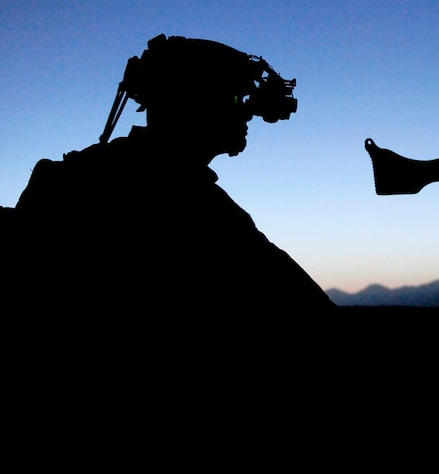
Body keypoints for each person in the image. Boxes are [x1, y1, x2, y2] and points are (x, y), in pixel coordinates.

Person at [11, 34, 335, 333]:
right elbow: (306, 310)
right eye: (237, 98)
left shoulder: (65, 177)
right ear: (195, 103)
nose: (248, 114)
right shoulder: (200, 210)